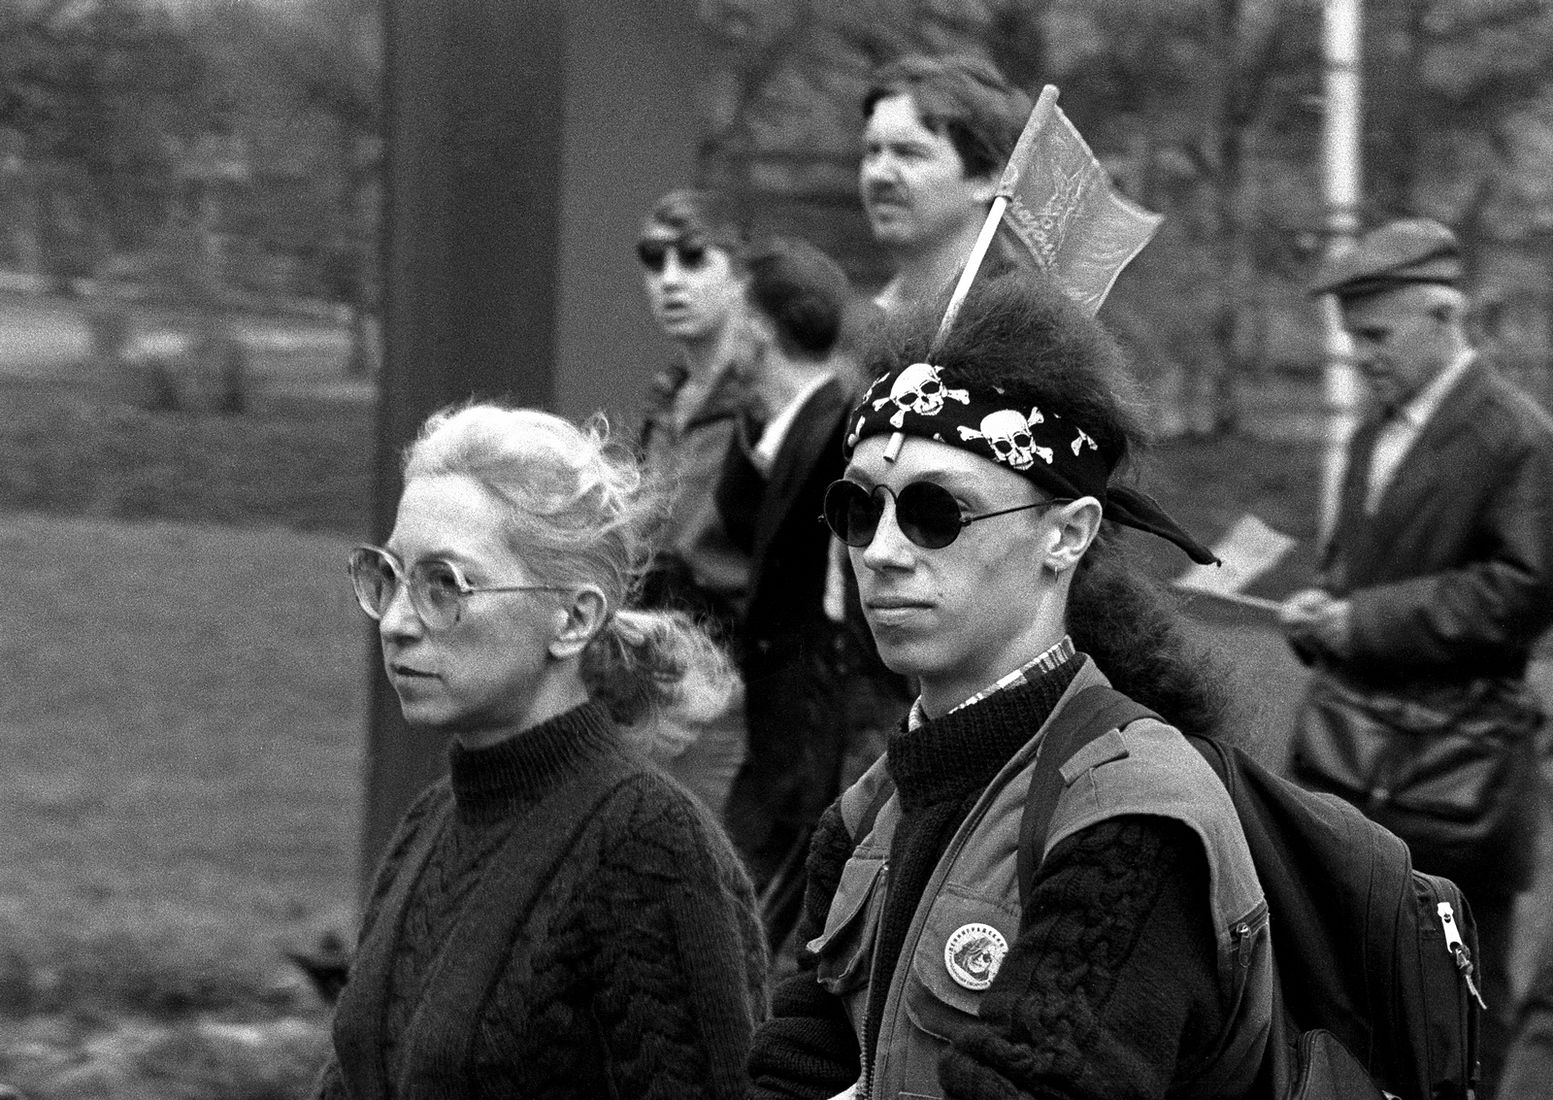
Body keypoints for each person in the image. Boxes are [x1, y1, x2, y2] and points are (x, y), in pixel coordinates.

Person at [747, 274, 1273, 1100]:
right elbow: (790, 1067)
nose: (879, 551)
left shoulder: (1132, 816)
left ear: (1066, 535)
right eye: (857, 508)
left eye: (935, 513)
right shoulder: (863, 813)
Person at [315, 404, 768, 1099]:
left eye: (445, 584)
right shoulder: (431, 823)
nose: (398, 622)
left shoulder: (648, 847)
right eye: (391, 576)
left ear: (574, 618)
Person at [1281, 216, 1553, 1099]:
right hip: (1355, 757)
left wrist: (1362, 622)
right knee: (1350, 978)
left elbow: (1523, 590)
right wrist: (1322, 607)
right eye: (1351, 338)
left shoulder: (1518, 437)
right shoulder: (1374, 431)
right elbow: (1363, 567)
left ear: (1445, 317)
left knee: (1463, 980)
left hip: (1459, 769)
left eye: (1375, 336)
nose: (1358, 357)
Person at [713, 235, 907, 953]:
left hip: (820, 738)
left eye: (735, 317)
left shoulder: (837, 426)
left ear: (757, 328)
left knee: (754, 933)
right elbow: (744, 518)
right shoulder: (782, 426)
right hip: (788, 741)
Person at [633, 187, 761, 813]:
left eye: (692, 258)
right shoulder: (667, 398)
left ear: (740, 274)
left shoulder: (767, 402)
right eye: (653, 260)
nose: (669, 279)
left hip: (740, 684)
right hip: (657, 676)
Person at [859, 55, 1031, 314]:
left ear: (988, 178)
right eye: (873, 151)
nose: (878, 174)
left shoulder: (1021, 320)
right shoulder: (852, 322)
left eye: (908, 153)